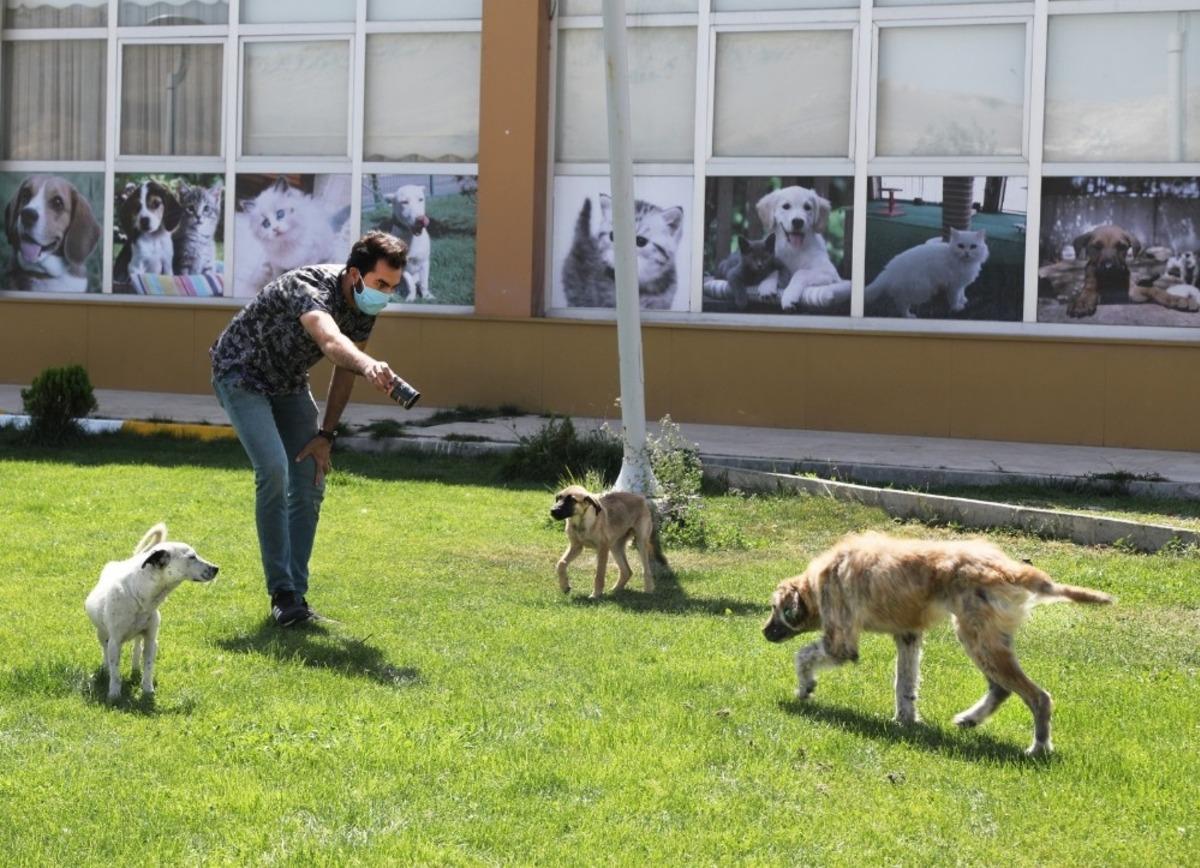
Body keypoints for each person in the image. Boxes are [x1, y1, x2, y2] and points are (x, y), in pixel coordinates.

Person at [210, 231, 408, 626]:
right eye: (380, 284)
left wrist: (326, 435)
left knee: (311, 477)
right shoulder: (308, 286)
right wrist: (369, 365)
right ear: (355, 274)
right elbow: (331, 341)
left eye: (393, 288)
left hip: (287, 383)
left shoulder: (365, 307)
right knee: (273, 470)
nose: (385, 295)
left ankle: (295, 599)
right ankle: (281, 592)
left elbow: (345, 370)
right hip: (241, 373)